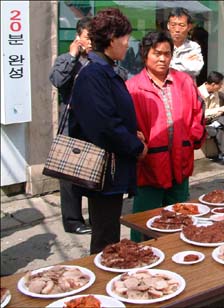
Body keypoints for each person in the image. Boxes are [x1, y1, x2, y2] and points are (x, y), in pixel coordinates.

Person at [69, 8, 147, 254]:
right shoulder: (94, 74)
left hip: (112, 168)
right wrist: (136, 147)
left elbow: (114, 117)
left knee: (109, 231)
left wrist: (132, 133)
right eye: (126, 38)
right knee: (105, 239)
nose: (128, 44)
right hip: (103, 171)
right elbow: (104, 125)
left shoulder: (107, 70)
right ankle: (102, 284)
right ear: (112, 39)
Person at [126, 31, 205, 242]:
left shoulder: (184, 82)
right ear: (145, 54)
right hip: (149, 164)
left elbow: (198, 113)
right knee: (145, 220)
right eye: (156, 53)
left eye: (167, 54)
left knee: (180, 217)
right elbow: (127, 125)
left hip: (181, 160)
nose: (162, 58)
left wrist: (193, 139)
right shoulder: (133, 87)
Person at [49, 17, 92, 235]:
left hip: (94, 128)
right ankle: (73, 220)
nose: (91, 42)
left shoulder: (101, 61)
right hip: (71, 127)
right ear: (78, 37)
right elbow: (57, 80)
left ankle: (96, 216)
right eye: (87, 37)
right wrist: (73, 54)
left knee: (96, 177)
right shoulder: (66, 59)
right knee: (69, 181)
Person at [199, 71, 224, 167]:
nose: (221, 87)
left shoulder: (215, 92)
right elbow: (202, 113)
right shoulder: (198, 93)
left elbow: (216, 110)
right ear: (212, 84)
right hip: (201, 121)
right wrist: (220, 109)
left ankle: (216, 125)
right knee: (221, 128)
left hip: (213, 119)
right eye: (219, 85)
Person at [167, 7, 204, 81]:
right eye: (173, 25)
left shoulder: (194, 47)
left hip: (186, 90)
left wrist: (169, 63)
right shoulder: (162, 45)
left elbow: (196, 69)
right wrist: (185, 62)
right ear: (168, 25)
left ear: (189, 27)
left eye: (181, 25)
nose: (177, 30)